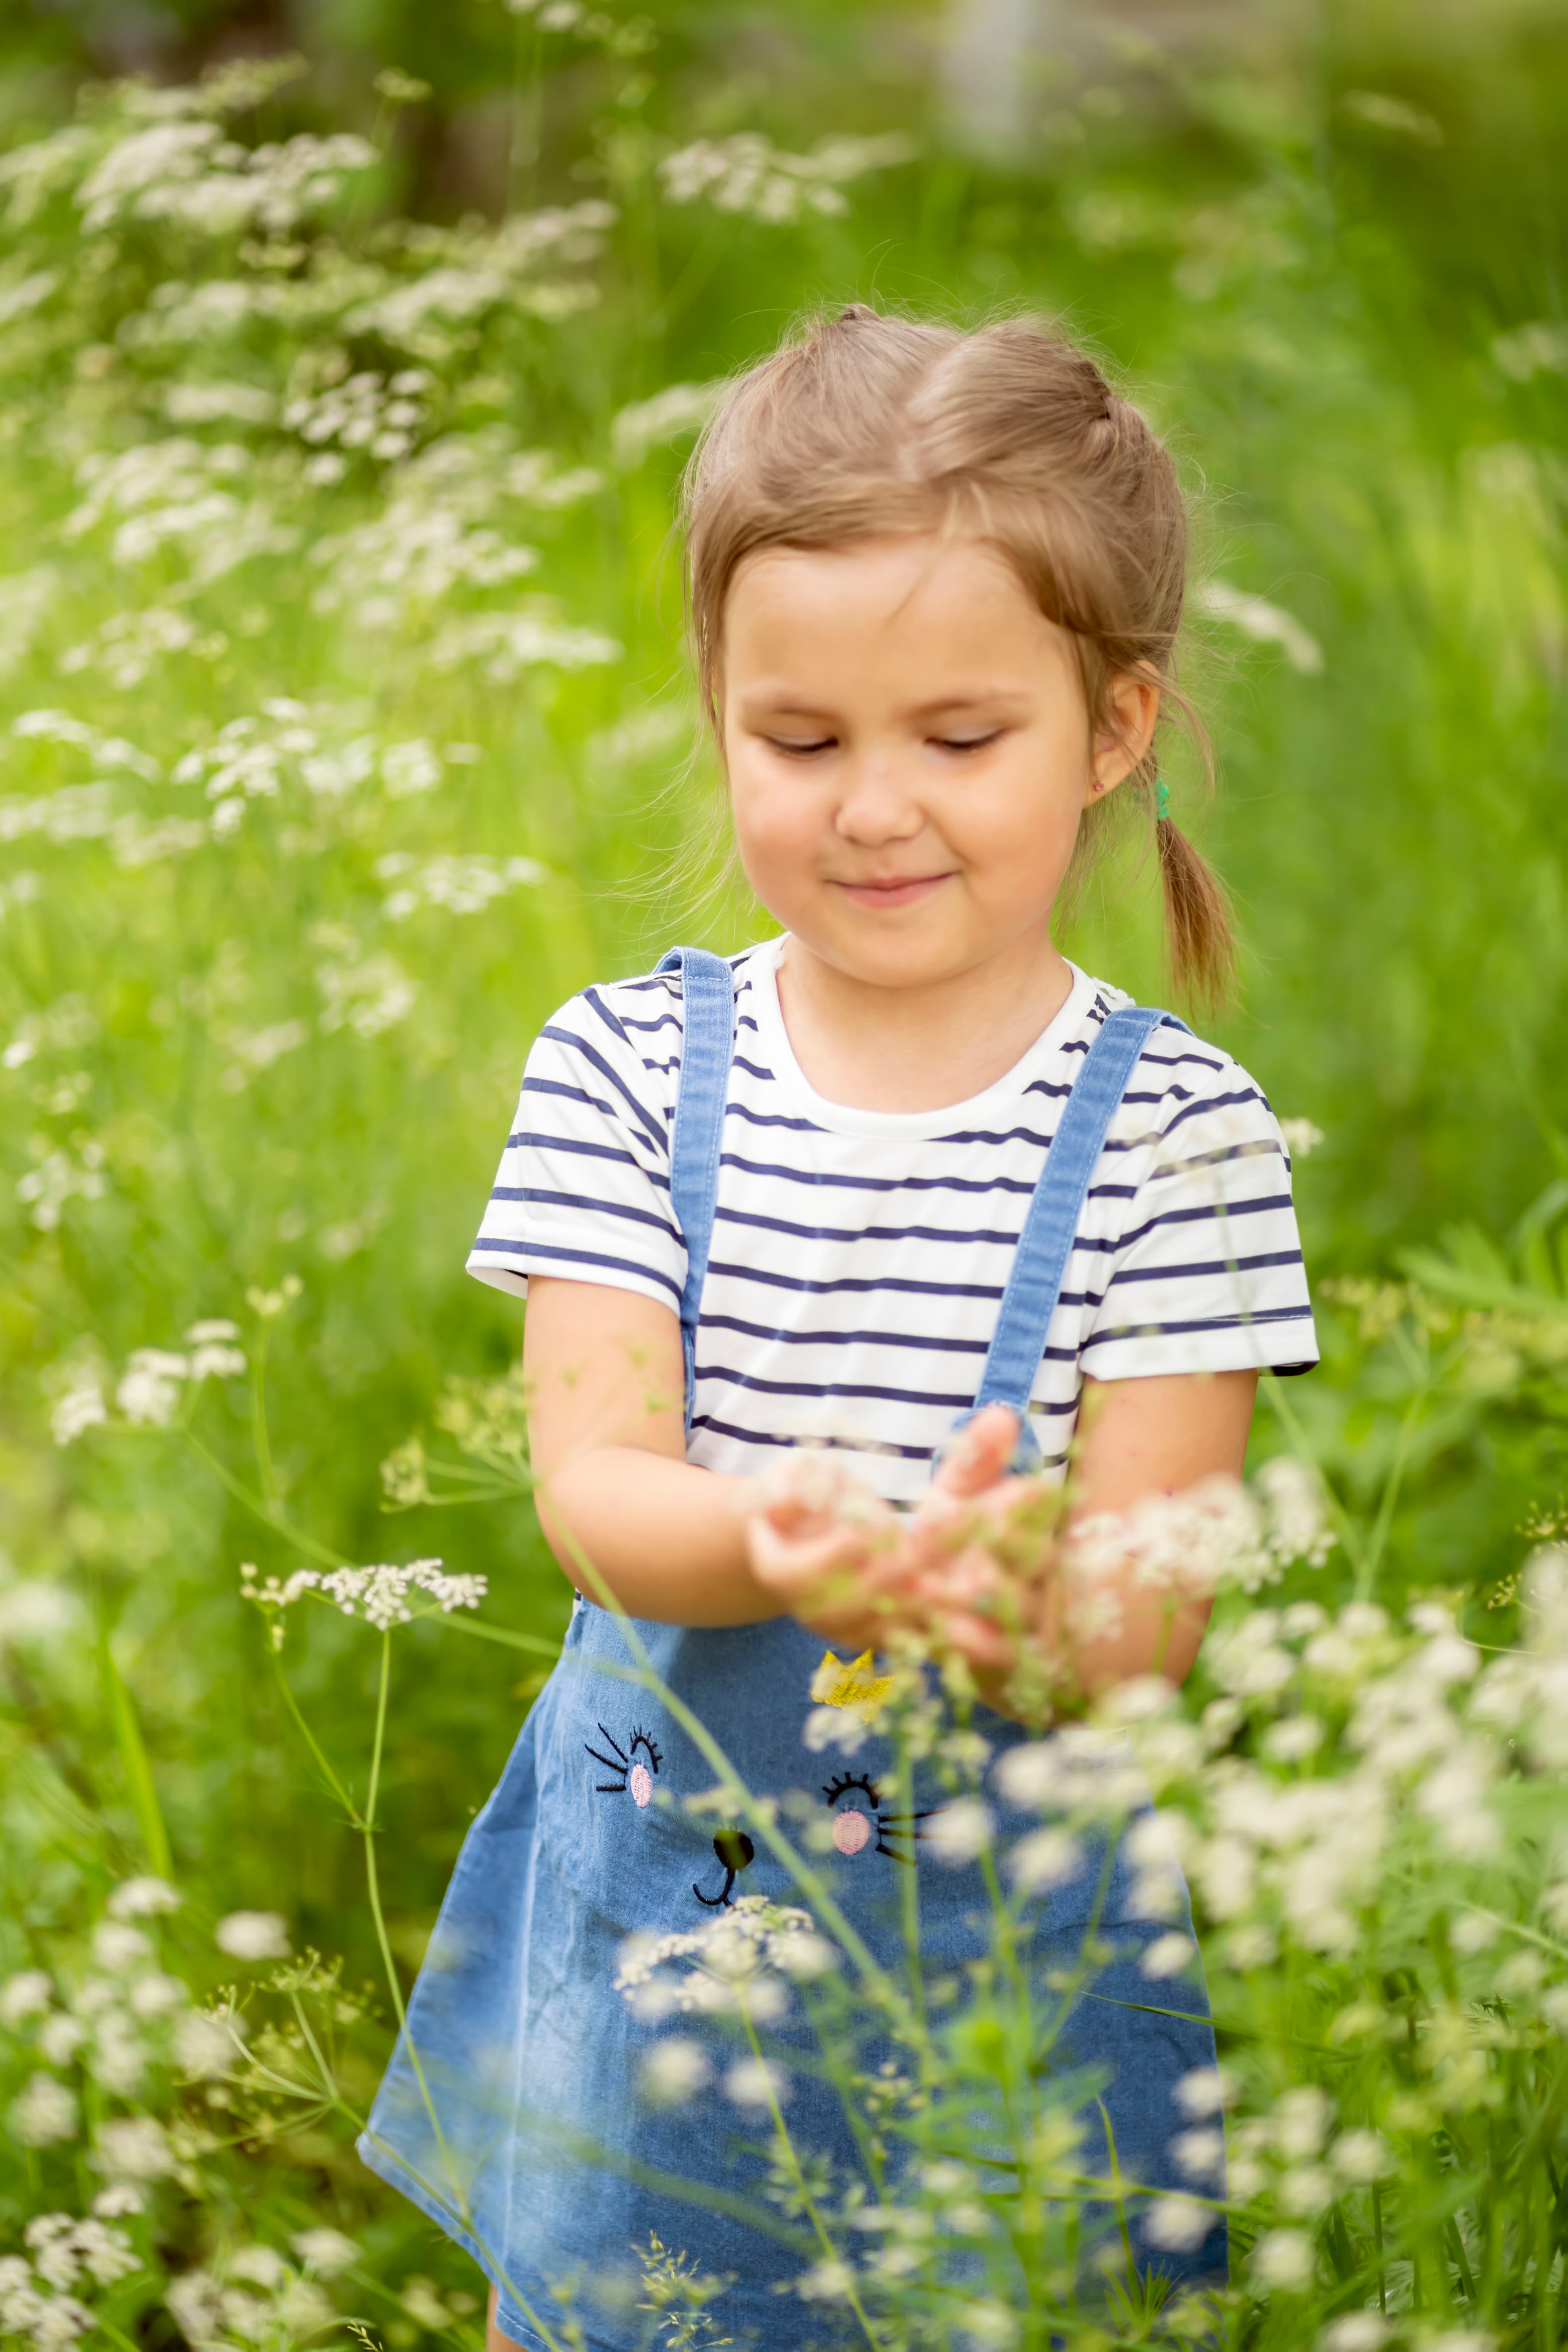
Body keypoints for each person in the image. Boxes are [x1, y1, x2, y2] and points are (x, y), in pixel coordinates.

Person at [359, 306, 1319, 2350]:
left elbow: (1144, 1626)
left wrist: (1003, 1603)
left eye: (958, 740)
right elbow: (598, 1488)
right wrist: (772, 1541)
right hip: (658, 1936)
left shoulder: (1179, 1138)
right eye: (801, 740)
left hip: (1000, 1980)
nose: (874, 805)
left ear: (1115, 728)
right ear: (721, 713)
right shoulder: (622, 1069)